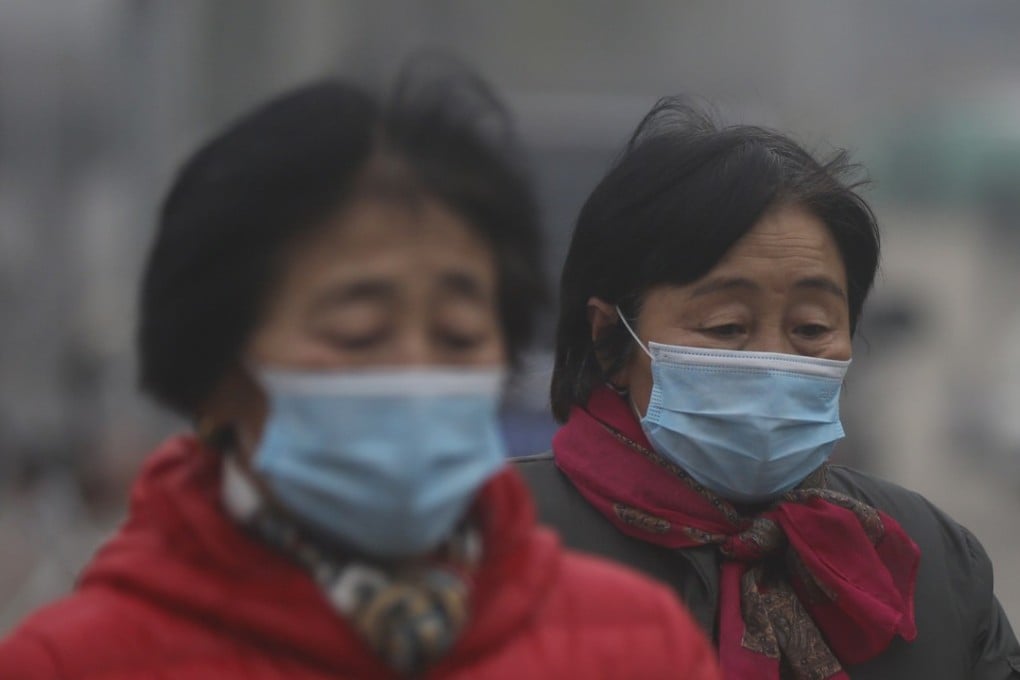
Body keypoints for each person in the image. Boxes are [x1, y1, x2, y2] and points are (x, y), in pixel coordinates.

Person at [0, 68, 721, 679]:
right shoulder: (78, 662)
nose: (416, 368)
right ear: (217, 368)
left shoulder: (636, 645)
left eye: (459, 334)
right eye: (358, 333)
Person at [517, 100, 1020, 679]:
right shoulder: (494, 550)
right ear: (612, 342)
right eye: (726, 327)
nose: (774, 358)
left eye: (811, 328)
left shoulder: (929, 564)